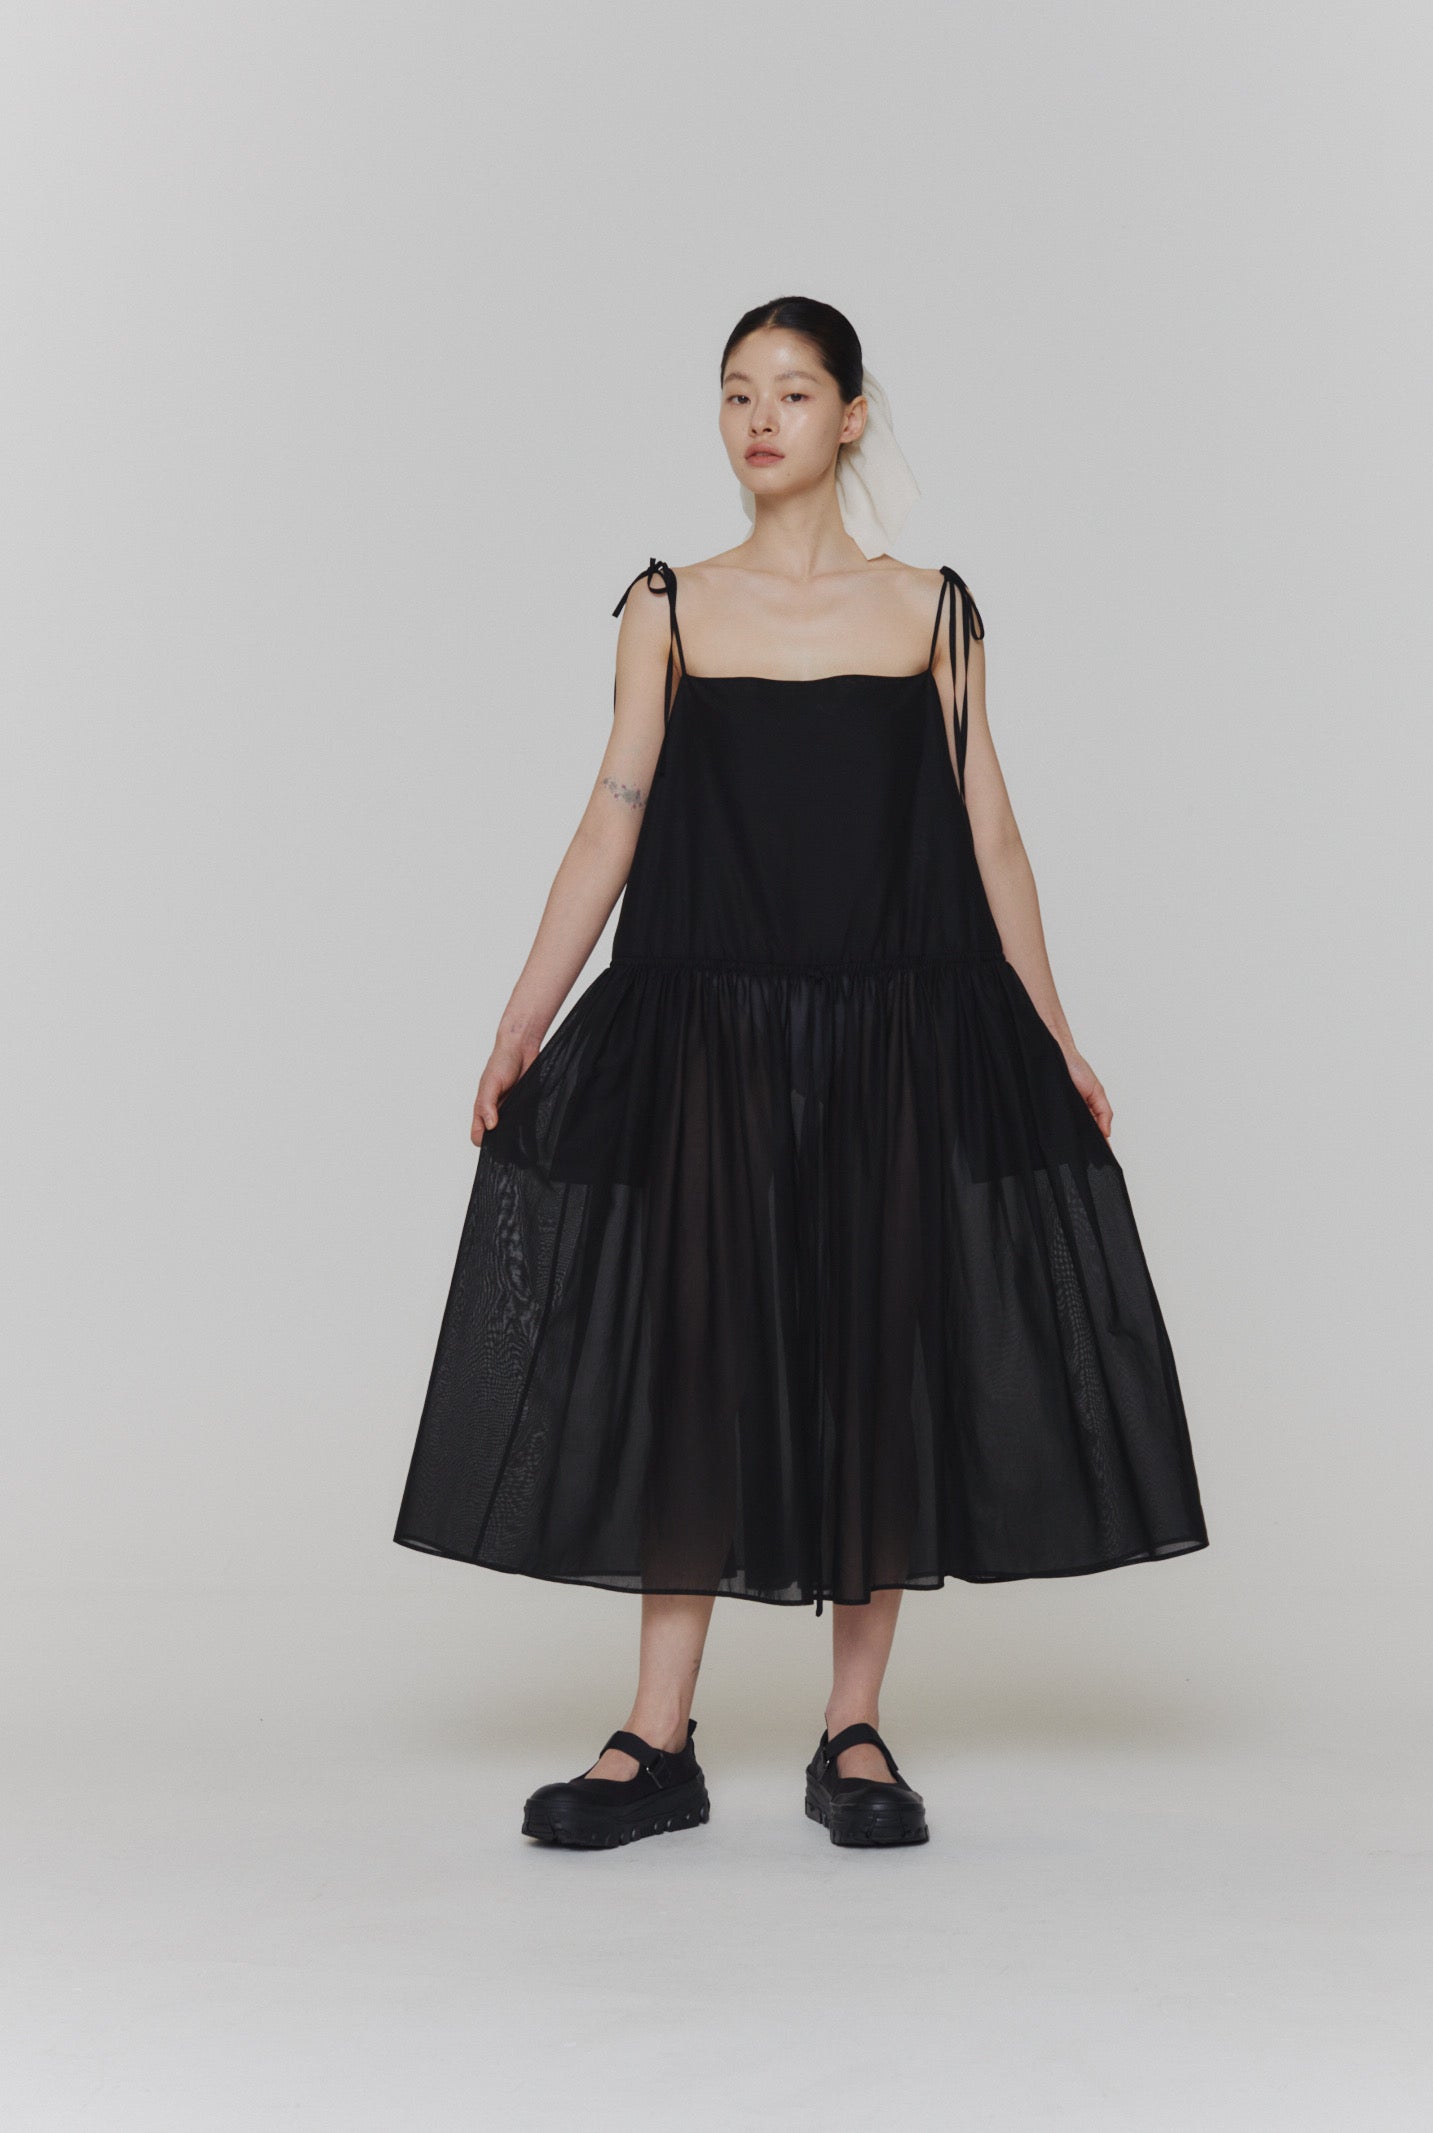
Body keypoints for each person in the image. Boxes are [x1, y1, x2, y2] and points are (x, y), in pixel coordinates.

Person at [393, 295, 1208, 1851]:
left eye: (792, 391)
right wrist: (519, 1018)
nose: (760, 418)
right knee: (695, 1349)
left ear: (851, 414)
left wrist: (1055, 1033)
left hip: (897, 1025)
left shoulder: (933, 610)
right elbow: (613, 815)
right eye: (736, 392)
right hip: (707, 1028)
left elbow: (993, 834)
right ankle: (658, 1735)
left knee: (877, 1348)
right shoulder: (669, 606)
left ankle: (856, 1728)